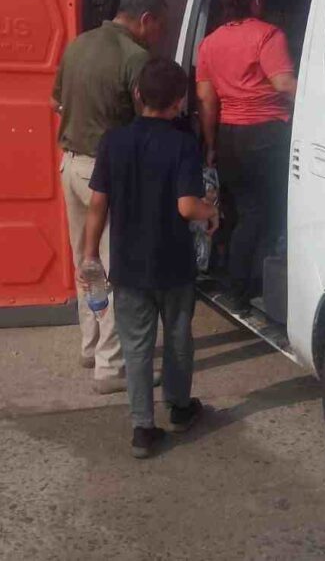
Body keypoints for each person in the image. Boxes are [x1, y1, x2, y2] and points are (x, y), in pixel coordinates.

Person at [83, 58, 219, 458]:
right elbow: (187, 207)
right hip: (173, 266)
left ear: (138, 94)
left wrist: (90, 255)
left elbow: (97, 205)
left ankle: (143, 428)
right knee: (177, 339)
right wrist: (212, 210)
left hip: (129, 266)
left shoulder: (113, 142)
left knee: (137, 347)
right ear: (179, 102)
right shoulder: (183, 144)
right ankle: (179, 408)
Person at [52, 0, 167, 394]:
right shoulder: (135, 57)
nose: (160, 35)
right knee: (119, 268)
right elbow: (149, 122)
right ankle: (112, 366)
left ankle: (91, 345)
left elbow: (55, 103)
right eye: (160, 26)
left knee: (86, 262)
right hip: (107, 174)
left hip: (70, 166)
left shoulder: (77, 45)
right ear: (145, 20)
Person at [196, 0, 297, 312]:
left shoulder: (209, 43)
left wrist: (211, 144)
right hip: (267, 135)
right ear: (257, 2)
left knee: (240, 211)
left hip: (229, 136)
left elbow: (206, 99)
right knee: (265, 213)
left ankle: (234, 281)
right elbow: (283, 84)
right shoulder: (268, 35)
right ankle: (246, 289)